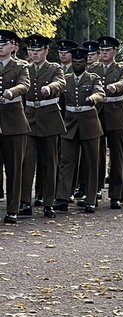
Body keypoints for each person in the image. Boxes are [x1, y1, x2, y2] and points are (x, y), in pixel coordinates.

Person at [20, 33, 66, 219]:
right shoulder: (25, 69)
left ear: (46, 51)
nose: (34, 53)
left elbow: (61, 83)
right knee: (27, 162)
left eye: (38, 50)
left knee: (49, 163)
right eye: (32, 50)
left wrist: (51, 88)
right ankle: (24, 201)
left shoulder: (54, 68)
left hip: (49, 118)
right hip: (30, 117)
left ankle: (48, 202)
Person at [54, 44, 104, 214]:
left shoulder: (93, 78)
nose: (77, 64)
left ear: (86, 63)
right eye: (74, 61)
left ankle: (90, 199)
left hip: (89, 123)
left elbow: (100, 93)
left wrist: (93, 98)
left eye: (80, 62)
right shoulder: (65, 79)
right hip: (69, 124)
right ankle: (62, 197)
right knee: (66, 161)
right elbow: (60, 102)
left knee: (91, 162)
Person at [0, 29, 30, 225]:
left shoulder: (21, 66)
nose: (0, 46)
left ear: (13, 46)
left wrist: (11, 92)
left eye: (4, 43)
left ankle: (12, 209)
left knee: (14, 168)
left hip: (13, 122)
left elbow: (24, 85)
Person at [98, 34, 123, 210]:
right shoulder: (93, 68)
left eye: (107, 50)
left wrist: (115, 87)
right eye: (101, 50)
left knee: (118, 156)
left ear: (115, 52)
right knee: (96, 154)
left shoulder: (121, 68)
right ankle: (93, 191)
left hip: (116, 113)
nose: (104, 53)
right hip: (97, 114)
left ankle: (115, 194)